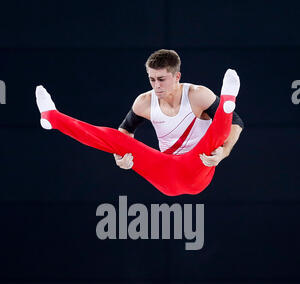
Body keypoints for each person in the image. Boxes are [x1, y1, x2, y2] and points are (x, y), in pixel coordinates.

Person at [35, 50, 243, 196]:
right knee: (113, 138)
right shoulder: (144, 102)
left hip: (199, 166)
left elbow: (237, 122)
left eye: (161, 79)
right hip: (164, 171)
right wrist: (121, 157)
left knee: (217, 137)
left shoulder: (198, 95)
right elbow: (124, 133)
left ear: (177, 76)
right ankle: (52, 117)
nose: (156, 85)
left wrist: (224, 153)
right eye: (152, 79)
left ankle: (227, 100)